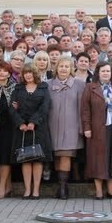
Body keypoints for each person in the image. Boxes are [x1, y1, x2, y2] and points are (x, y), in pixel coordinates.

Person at [80, 61, 112, 199]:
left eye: (108, 71)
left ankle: (111, 190)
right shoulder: (90, 87)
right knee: (98, 159)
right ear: (98, 73)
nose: (106, 73)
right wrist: (86, 128)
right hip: (96, 129)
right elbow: (85, 109)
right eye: (103, 71)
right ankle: (99, 191)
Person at [10, 63, 53, 199]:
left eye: (30, 72)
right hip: (22, 129)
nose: (28, 75)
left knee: (38, 159)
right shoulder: (18, 88)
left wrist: (34, 122)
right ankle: (27, 190)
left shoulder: (43, 87)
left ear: (35, 74)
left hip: (38, 128)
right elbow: (11, 108)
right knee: (26, 159)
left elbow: (45, 106)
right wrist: (21, 123)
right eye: (25, 73)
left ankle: (36, 190)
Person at [47, 57, 85, 199]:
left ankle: (63, 187)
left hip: (71, 127)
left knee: (65, 155)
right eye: (61, 66)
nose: (63, 69)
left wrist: (82, 127)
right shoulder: (47, 84)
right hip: (52, 126)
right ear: (56, 68)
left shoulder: (80, 85)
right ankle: (60, 184)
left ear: (71, 69)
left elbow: (82, 108)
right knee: (56, 156)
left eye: (66, 67)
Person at [0, 61, 16, 198]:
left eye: (5, 71)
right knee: (1, 156)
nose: (2, 73)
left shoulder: (16, 88)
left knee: (5, 158)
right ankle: (8, 186)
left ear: (9, 73)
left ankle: (2, 187)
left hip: (11, 127)